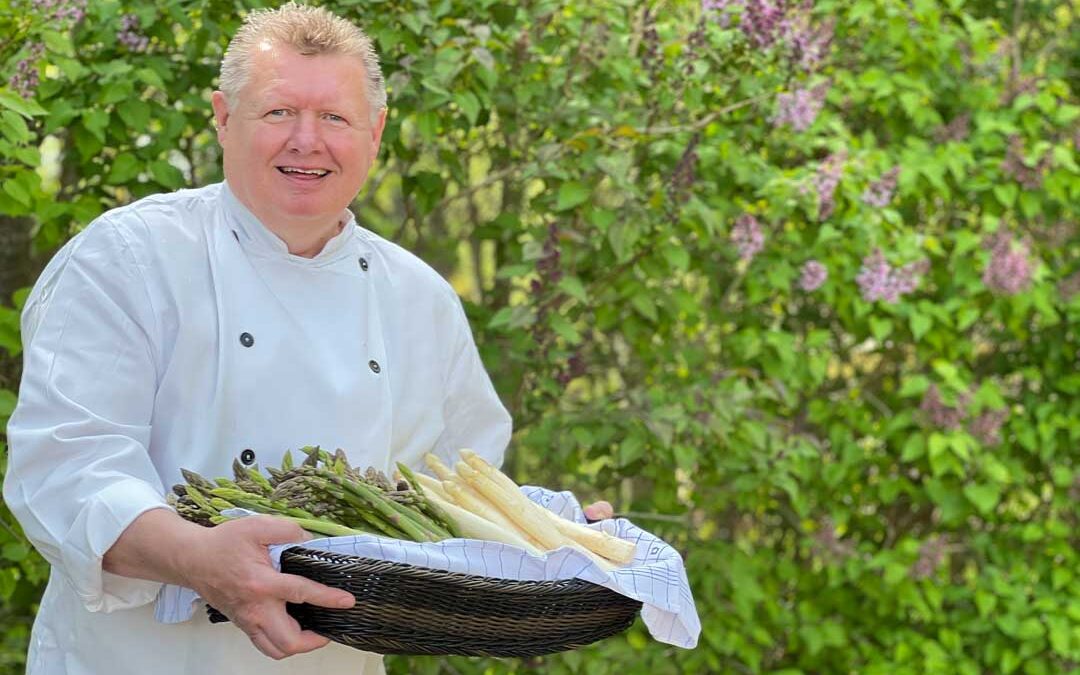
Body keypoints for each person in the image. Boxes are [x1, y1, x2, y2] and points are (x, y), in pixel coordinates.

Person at [3, 4, 612, 673]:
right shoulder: (127, 257)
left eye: (334, 118)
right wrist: (198, 557)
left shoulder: (419, 297)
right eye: (277, 113)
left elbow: (453, 502)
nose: (306, 140)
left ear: (375, 132)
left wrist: (546, 534)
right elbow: (67, 470)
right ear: (222, 116)